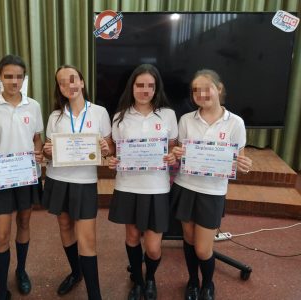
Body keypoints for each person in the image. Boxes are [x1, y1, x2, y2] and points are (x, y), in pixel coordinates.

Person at [170, 69, 252, 300]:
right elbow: (180, 155)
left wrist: (242, 164)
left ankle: (208, 284)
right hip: (185, 186)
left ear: (219, 89)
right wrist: (176, 154)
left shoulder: (235, 123)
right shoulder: (186, 120)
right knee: (188, 238)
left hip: (212, 191)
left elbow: (237, 160)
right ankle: (193, 282)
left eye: (207, 88)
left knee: (203, 248)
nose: (201, 93)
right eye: (196, 90)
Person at [107, 64, 178, 300]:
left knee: (154, 247)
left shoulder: (167, 115)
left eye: (150, 85)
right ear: (132, 87)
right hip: (128, 186)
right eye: (140, 85)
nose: (145, 90)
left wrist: (172, 155)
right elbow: (116, 152)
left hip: (157, 187)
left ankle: (151, 278)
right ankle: (138, 280)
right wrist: (112, 160)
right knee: (132, 238)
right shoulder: (120, 117)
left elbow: (173, 148)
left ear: (156, 88)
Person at [42, 65, 113, 300]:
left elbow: (110, 149)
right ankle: (75, 272)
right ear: (59, 89)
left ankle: (95, 295)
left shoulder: (100, 113)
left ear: (82, 82)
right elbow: (48, 151)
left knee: (88, 239)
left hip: (84, 181)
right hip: (57, 179)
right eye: (62, 83)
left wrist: (106, 148)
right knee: (64, 226)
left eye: (72, 79)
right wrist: (47, 150)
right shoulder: (55, 116)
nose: (68, 85)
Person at [0, 55, 44, 300]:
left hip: (28, 176)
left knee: (25, 223)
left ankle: (21, 271)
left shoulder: (34, 105)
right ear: (0, 77)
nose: (14, 81)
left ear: (24, 78)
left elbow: (37, 139)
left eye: (19, 76)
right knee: (1, 234)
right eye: (8, 76)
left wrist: (39, 154)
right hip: (1, 178)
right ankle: (1, 285)